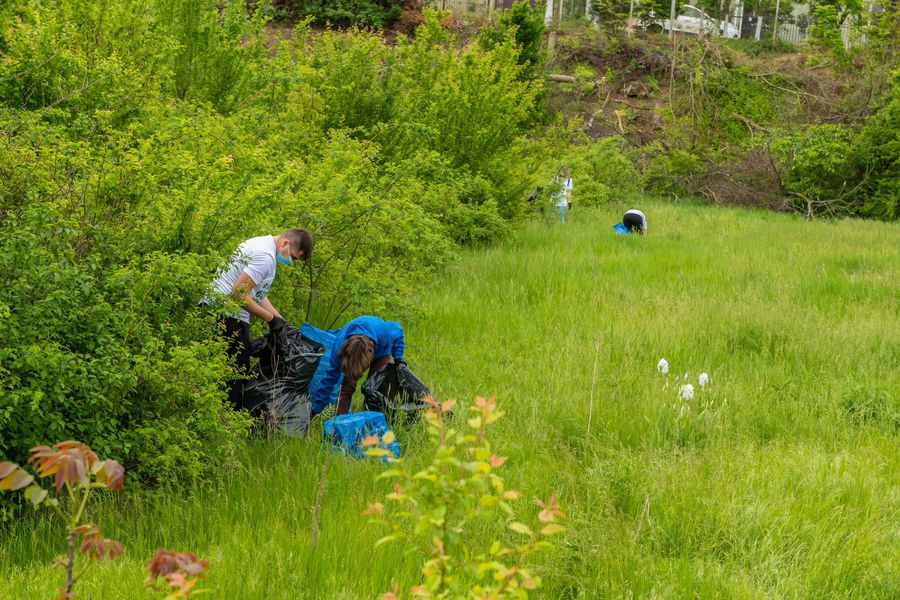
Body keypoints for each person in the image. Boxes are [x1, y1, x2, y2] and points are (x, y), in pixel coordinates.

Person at [206, 228, 313, 410]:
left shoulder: (258, 243)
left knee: (228, 371)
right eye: (293, 257)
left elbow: (257, 293)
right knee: (235, 376)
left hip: (216, 308)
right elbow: (238, 293)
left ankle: (217, 418)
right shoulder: (266, 257)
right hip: (226, 315)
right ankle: (227, 424)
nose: (291, 262)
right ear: (285, 243)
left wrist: (280, 321)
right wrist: (271, 320)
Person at [314, 316, 405, 416]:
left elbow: (398, 330)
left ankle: (370, 419)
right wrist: (316, 409)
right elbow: (329, 380)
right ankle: (341, 420)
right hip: (353, 351)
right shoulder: (339, 349)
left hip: (382, 350)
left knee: (375, 387)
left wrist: (398, 357)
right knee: (347, 386)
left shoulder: (385, 332)